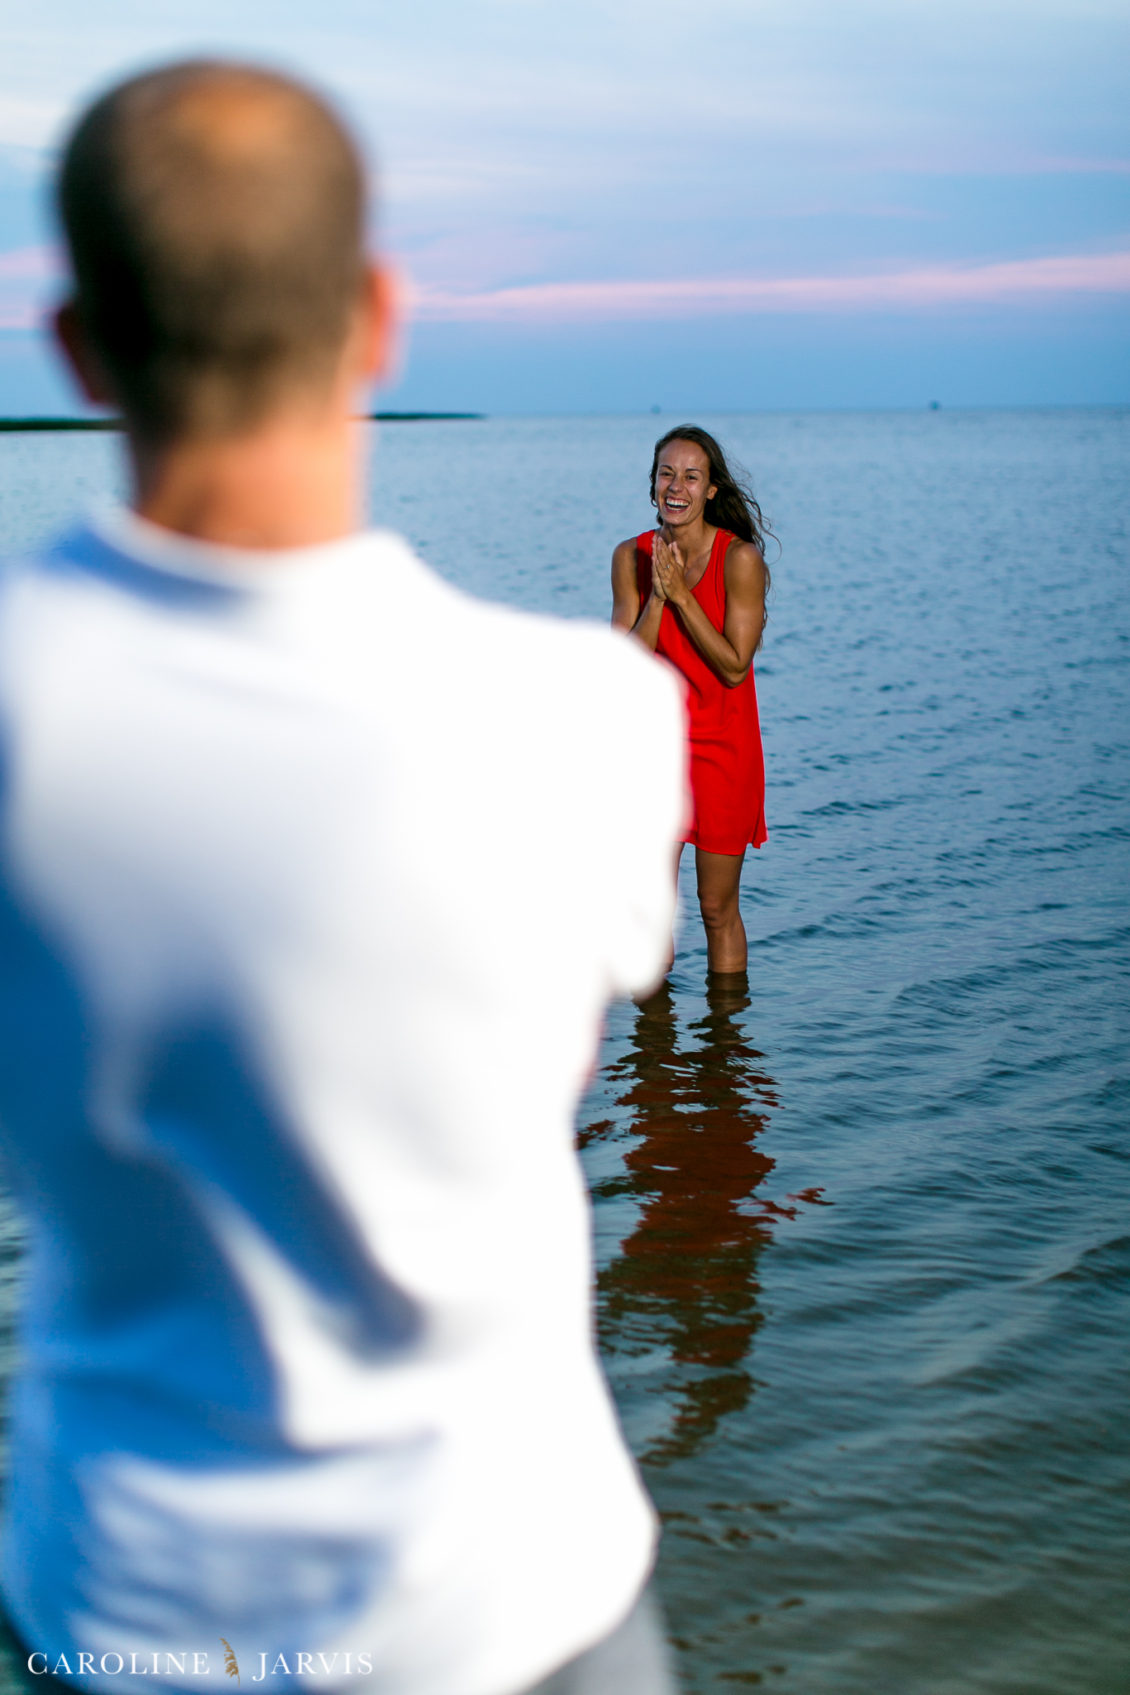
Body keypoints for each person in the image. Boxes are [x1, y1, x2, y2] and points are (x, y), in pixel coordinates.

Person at [0, 61, 686, 1695]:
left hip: (131, 1614)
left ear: (78, 348)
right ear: (377, 316)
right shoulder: (585, 715)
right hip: (513, 1609)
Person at [610, 428, 771, 976]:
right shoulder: (629, 556)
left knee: (715, 908)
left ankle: (723, 1047)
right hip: (655, 755)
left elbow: (732, 666)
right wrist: (659, 596)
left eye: (691, 477)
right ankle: (655, 1051)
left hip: (724, 749)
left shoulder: (739, 560)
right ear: (652, 484)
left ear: (710, 489)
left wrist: (683, 594)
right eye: (666, 474)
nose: (675, 487)